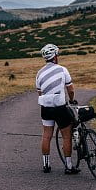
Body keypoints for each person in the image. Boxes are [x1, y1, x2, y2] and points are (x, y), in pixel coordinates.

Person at [36, 44, 80, 175]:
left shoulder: (39, 73)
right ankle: (69, 166)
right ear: (55, 56)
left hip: (45, 108)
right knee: (66, 136)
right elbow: (70, 89)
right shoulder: (62, 70)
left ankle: (46, 165)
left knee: (46, 135)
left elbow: (40, 92)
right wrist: (72, 100)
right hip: (60, 107)